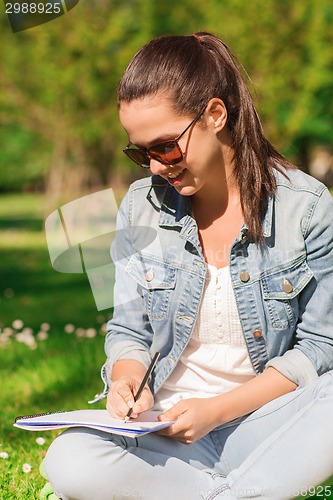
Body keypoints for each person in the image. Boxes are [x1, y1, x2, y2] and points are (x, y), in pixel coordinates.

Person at [44, 32, 333, 499]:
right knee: (68, 460)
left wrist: (217, 411)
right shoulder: (140, 208)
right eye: (141, 153)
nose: (156, 167)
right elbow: (129, 331)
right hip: (168, 432)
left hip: (269, 428)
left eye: (165, 147)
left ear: (215, 114)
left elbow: (322, 347)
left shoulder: (307, 207)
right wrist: (127, 379)